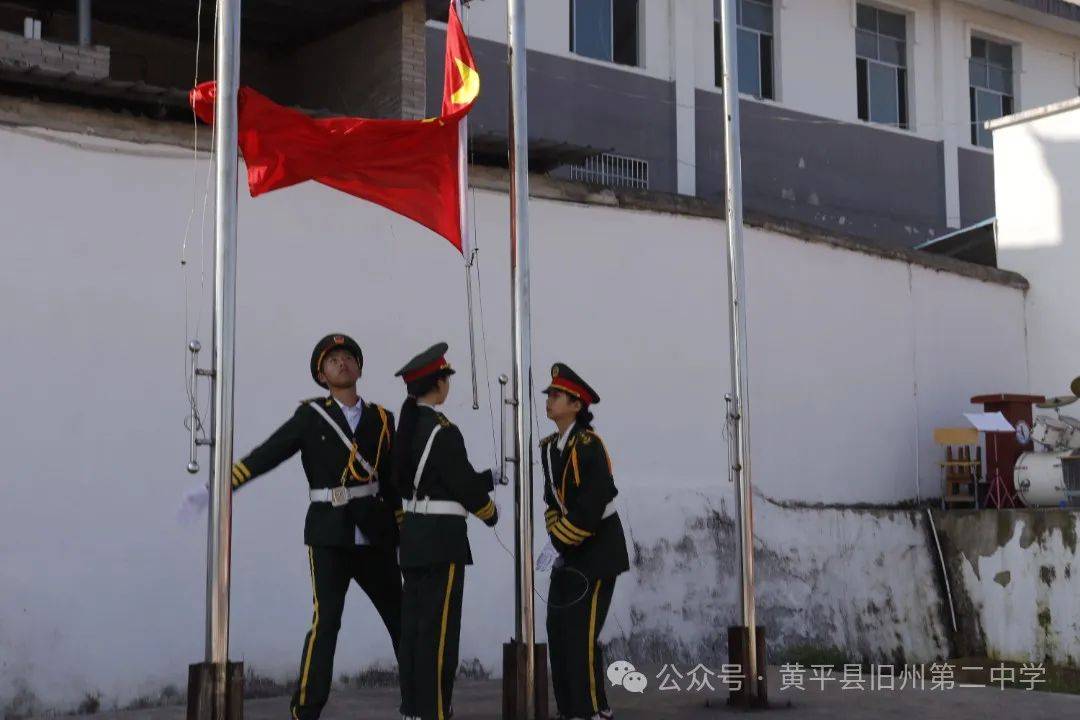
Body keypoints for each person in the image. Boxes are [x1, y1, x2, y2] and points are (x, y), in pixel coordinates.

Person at [229, 333, 403, 720]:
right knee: (325, 624)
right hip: (329, 533)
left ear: (359, 366)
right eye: (333, 360)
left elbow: (392, 482)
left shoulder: (383, 418)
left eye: (348, 357)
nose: (342, 363)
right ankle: (305, 711)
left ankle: (420, 705)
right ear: (322, 376)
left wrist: (400, 526)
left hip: (376, 533)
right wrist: (230, 480)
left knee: (402, 619)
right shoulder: (311, 417)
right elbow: (271, 452)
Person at [392, 342, 500, 720]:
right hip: (444, 541)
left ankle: (413, 709)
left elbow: (426, 481)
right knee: (440, 635)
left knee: (415, 633)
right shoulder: (444, 431)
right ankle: (436, 710)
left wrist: (487, 477)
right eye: (446, 378)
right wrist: (490, 512)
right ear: (438, 384)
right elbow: (463, 487)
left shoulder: (406, 428)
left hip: (415, 538)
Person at [540, 363, 630, 720]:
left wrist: (557, 543)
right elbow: (552, 501)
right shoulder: (549, 447)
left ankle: (591, 710)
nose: (549, 401)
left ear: (576, 405)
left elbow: (592, 506)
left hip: (597, 551)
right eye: (549, 395)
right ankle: (570, 709)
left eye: (557, 395)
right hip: (569, 549)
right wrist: (555, 540)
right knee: (558, 630)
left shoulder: (588, 445)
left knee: (582, 634)